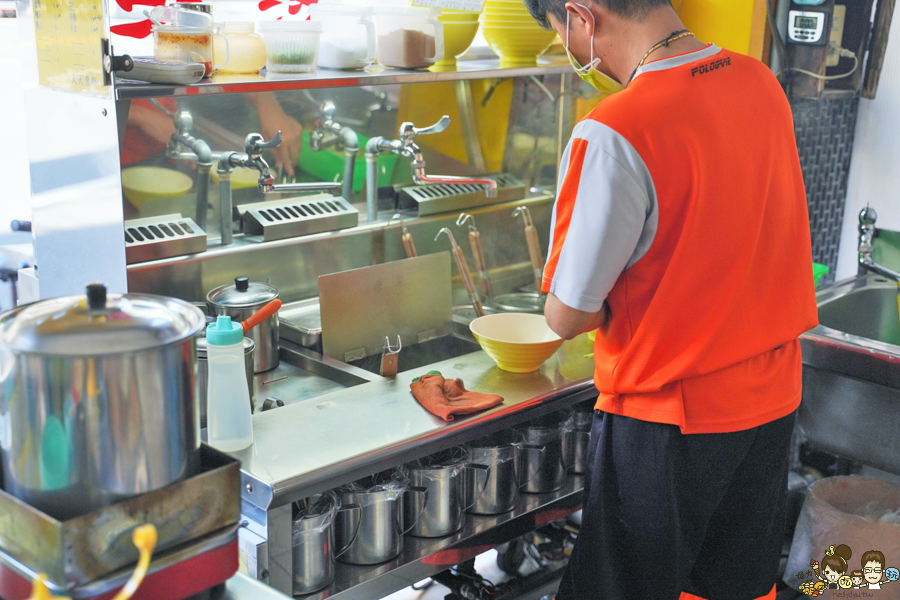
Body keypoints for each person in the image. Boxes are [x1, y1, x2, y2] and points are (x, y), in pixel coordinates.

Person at [524, 0, 819, 599]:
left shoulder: (615, 129)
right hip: (771, 401)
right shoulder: (760, 81)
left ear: (582, 16)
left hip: (671, 422)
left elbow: (566, 314)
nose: (569, 50)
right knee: (727, 589)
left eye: (559, 33)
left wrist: (604, 297)